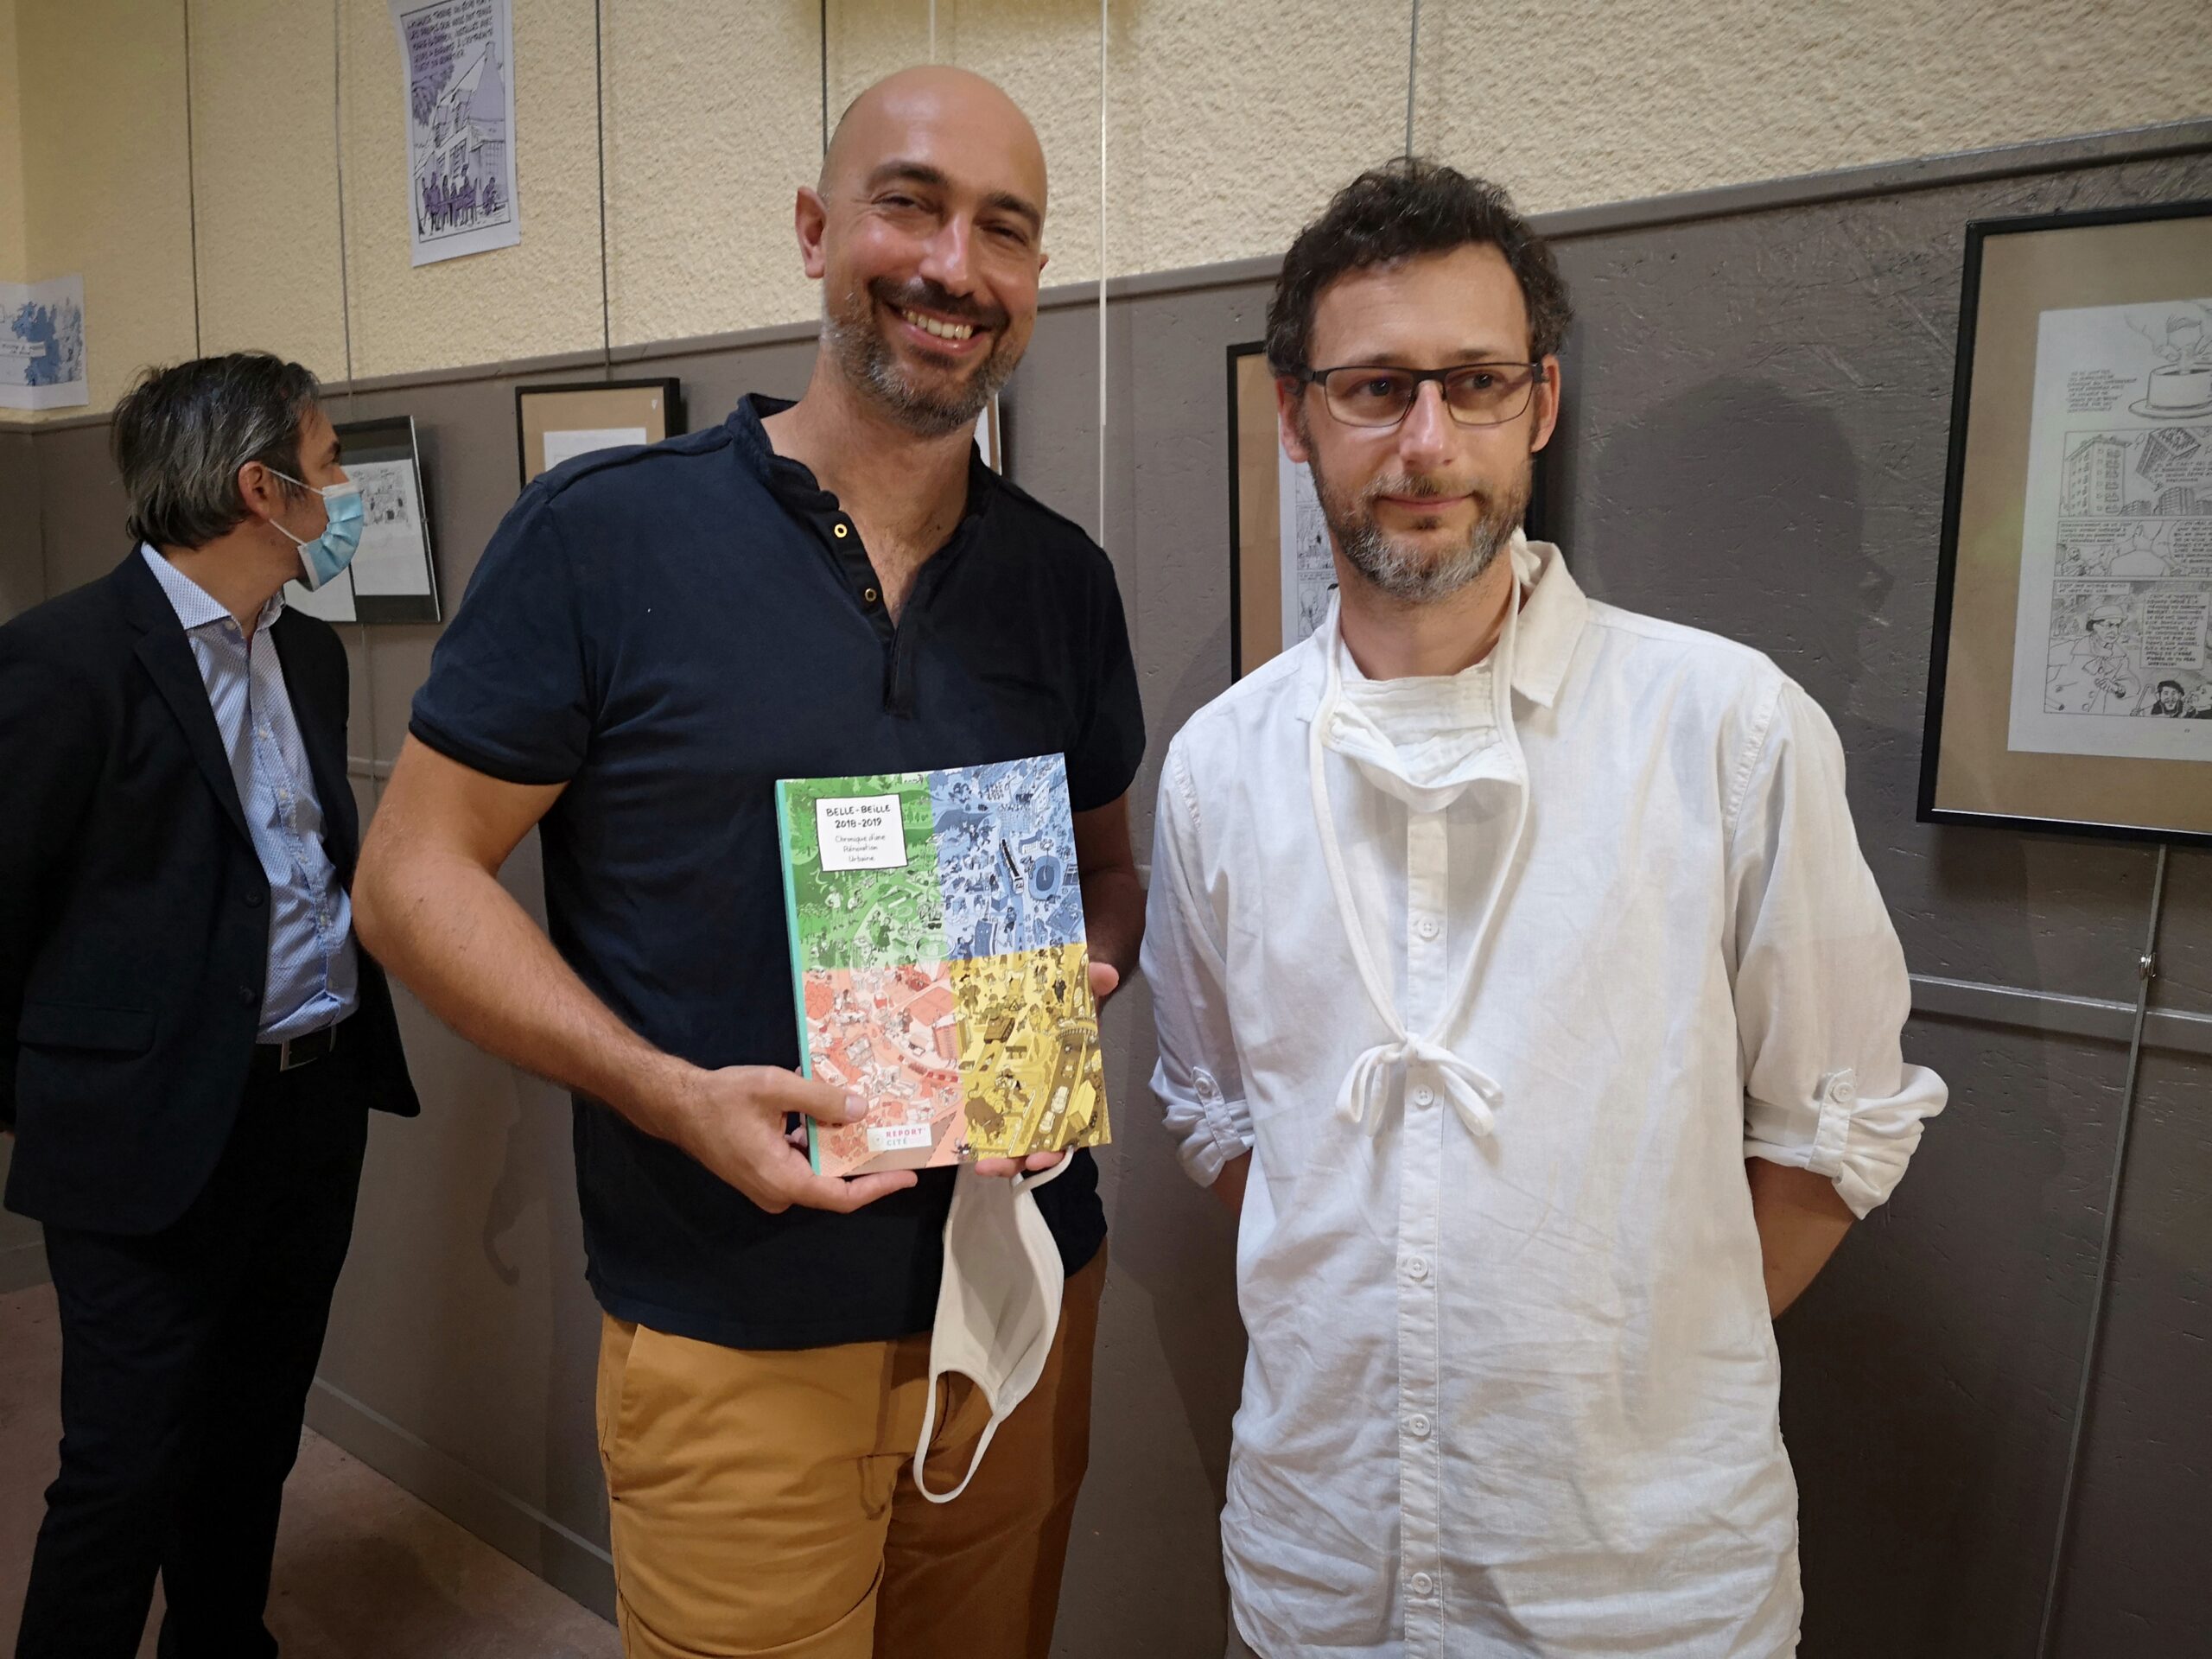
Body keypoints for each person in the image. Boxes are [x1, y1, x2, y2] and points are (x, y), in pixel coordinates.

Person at [353, 66, 1143, 1659]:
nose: (954, 266)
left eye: (1003, 230)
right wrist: (662, 1091)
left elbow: (1104, 868)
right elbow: (409, 879)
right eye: (909, 204)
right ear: (815, 230)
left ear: (1035, 277)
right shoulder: (605, 537)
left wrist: (1086, 972)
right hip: (733, 1326)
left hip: (1020, 1293)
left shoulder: (1062, 578)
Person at [1141, 161, 1948, 1659]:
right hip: (1323, 1563)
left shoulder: (1727, 730)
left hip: (1638, 1585)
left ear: (1542, 404)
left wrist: (1622, 1369)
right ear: (1296, 413)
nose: (1426, 441)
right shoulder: (1217, 770)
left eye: (1476, 383)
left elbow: (1835, 1130)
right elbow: (1227, 1120)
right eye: (1375, 388)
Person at [0, 353, 420, 1658]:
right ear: (260, 488)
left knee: (252, 1436)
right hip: (140, 1134)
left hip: (310, 1106)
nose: (345, 490)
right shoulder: (60, 661)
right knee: (123, 1469)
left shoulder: (310, 654)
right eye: (330, 462)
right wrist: (60, 1108)